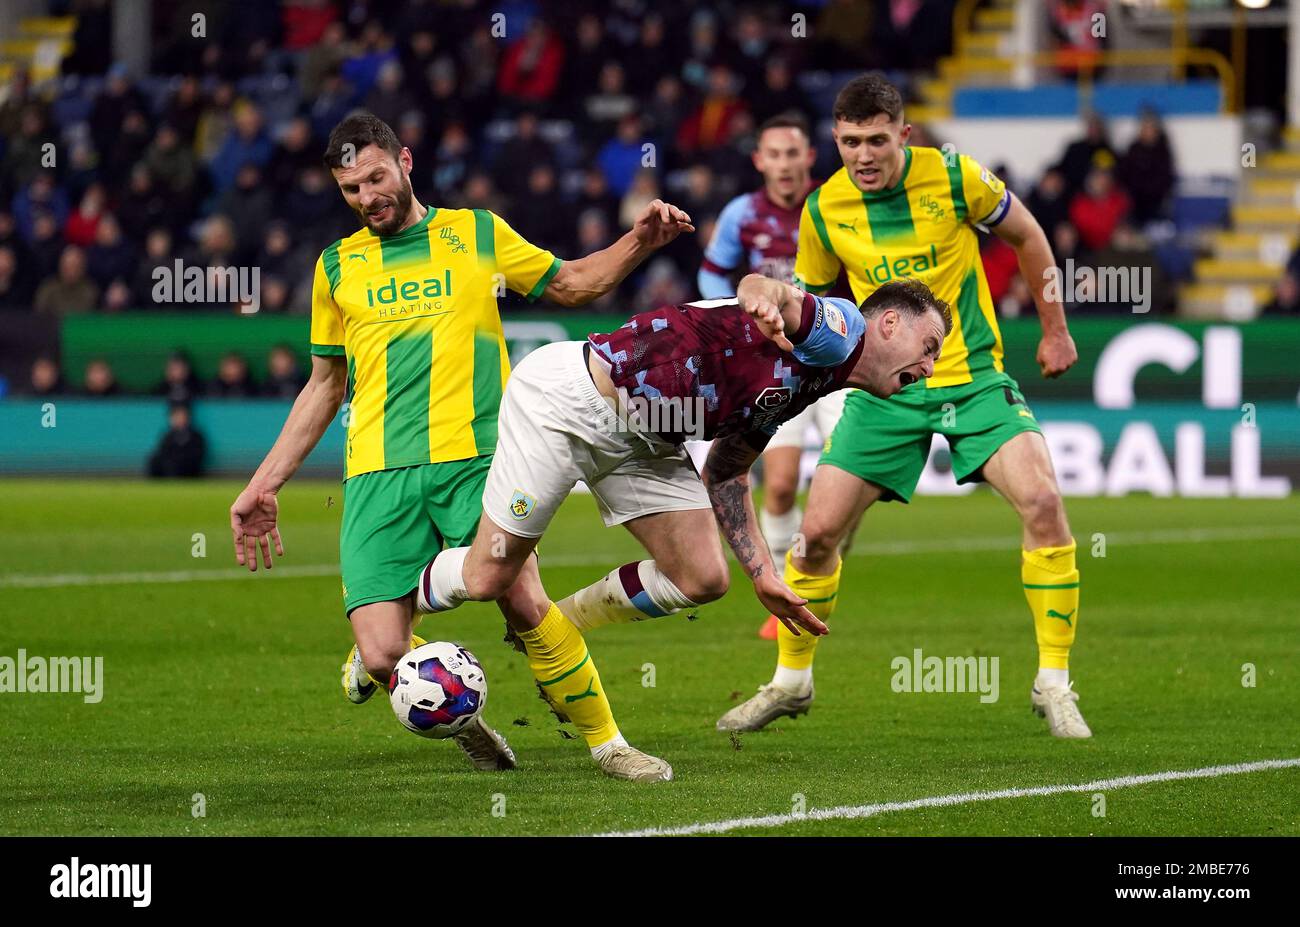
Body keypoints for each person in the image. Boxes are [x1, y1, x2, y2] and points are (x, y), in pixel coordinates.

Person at [227, 112, 694, 780]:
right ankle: (461, 713)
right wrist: (263, 482)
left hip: (479, 458)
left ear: (405, 160)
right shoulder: (335, 268)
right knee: (386, 652)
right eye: (351, 189)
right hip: (377, 473)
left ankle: (609, 744)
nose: (368, 197)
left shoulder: (475, 232)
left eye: (376, 178)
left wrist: (640, 241)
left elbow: (573, 283)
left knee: (521, 596)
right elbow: (325, 386)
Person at [414, 275, 951, 779]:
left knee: (703, 578)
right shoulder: (841, 332)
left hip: (646, 443)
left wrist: (762, 574)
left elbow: (726, 470)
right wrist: (762, 297)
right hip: (569, 402)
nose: (929, 367)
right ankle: (399, 599)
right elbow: (768, 291)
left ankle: (564, 622)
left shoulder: (815, 381)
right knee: (488, 578)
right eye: (928, 346)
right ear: (888, 325)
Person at [717, 74, 1091, 740]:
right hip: (879, 389)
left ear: (904, 135)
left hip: (971, 377)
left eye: (878, 141)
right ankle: (791, 681)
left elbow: (1030, 238)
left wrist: (1055, 327)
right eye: (851, 141)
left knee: (1043, 504)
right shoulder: (824, 208)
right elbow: (809, 303)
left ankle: (1054, 683)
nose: (864, 155)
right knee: (818, 536)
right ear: (835, 139)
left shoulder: (955, 177)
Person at [697, 113, 851, 635]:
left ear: (809, 158)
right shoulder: (742, 213)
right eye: (774, 155)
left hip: (836, 364)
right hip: (777, 363)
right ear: (760, 161)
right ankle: (790, 586)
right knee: (780, 486)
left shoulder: (833, 204)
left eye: (794, 154)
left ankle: (811, 580)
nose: (784, 165)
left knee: (845, 479)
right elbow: (715, 274)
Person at [148, 402, 207, 477]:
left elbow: (198, 455)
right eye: (177, 416)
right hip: (171, 467)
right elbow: (163, 453)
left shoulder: (196, 436)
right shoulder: (168, 436)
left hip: (188, 468)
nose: (179, 419)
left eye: (182, 416)